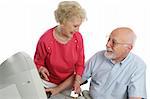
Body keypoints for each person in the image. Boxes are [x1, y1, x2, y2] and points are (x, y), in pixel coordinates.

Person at [34, 1, 86, 98]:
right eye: (75, 26)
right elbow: (37, 62)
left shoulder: (77, 38)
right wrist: (41, 68)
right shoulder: (45, 40)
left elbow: (80, 64)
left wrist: (77, 81)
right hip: (47, 83)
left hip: (66, 84)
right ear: (63, 22)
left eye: (79, 26)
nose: (77, 30)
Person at [82, 27, 147, 99]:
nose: (107, 44)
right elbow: (78, 78)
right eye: (108, 39)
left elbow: (136, 97)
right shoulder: (98, 56)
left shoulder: (137, 66)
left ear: (128, 48)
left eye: (114, 42)